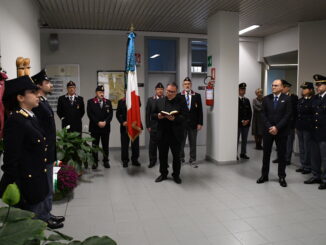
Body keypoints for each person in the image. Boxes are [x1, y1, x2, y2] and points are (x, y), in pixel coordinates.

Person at [0, 76, 62, 229]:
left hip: (35, 179)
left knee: (35, 224)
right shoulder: (16, 121)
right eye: (33, 92)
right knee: (29, 226)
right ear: (20, 97)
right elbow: (11, 160)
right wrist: (12, 186)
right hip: (27, 184)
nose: (37, 95)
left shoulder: (29, 117)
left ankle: (44, 216)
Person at [31, 69, 65, 227]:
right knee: (45, 186)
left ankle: (47, 213)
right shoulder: (37, 104)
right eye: (47, 83)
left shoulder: (42, 101)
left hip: (50, 150)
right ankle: (43, 217)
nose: (50, 85)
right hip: (44, 151)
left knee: (50, 184)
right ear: (39, 85)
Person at [257, 79, 292, 187]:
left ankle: (281, 176)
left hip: (281, 132)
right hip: (268, 131)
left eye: (276, 85)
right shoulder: (266, 99)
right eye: (272, 85)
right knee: (266, 154)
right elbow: (263, 114)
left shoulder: (287, 99)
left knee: (282, 155)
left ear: (282, 87)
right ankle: (264, 175)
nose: (273, 87)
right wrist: (270, 127)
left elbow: (287, 115)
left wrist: (277, 127)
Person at [152, 82, 187, 184]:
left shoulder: (181, 101)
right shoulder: (160, 101)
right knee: (162, 156)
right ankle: (163, 174)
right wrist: (158, 115)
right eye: (168, 91)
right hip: (162, 133)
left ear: (176, 92)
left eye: (172, 92)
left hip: (176, 134)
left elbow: (185, 116)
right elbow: (152, 114)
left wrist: (175, 118)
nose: (169, 93)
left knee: (176, 156)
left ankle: (176, 175)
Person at [304, 74, 326, 190]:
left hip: (324, 134)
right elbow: (311, 114)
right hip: (314, 133)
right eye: (316, 84)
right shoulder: (315, 98)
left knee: (324, 158)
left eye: (320, 84)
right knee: (315, 157)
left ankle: (325, 179)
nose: (317, 86)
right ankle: (316, 175)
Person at [178, 77, 203, 167]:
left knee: (193, 142)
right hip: (182, 124)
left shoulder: (197, 95)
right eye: (185, 84)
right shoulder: (179, 96)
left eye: (188, 83)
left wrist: (200, 123)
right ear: (183, 85)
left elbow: (200, 111)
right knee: (181, 142)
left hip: (193, 124)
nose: (187, 85)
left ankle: (192, 159)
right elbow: (177, 111)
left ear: (191, 85)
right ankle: (181, 158)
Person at [87, 85, 113, 169]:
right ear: (96, 93)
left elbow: (111, 114)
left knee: (105, 145)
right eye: (100, 92)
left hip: (105, 128)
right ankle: (95, 162)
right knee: (95, 146)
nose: (102, 94)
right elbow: (90, 114)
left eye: (103, 92)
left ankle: (106, 161)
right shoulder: (90, 102)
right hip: (95, 128)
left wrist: (105, 122)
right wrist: (98, 122)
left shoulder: (108, 102)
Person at [273, 80, 298, 165]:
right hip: (280, 124)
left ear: (288, 88)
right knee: (279, 142)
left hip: (289, 124)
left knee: (288, 143)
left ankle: (287, 159)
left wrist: (294, 125)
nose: (282, 89)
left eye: (284, 87)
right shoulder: (279, 96)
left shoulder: (293, 97)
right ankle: (279, 157)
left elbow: (295, 112)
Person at [116, 96, 141, 168]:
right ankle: (125, 161)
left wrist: (135, 97)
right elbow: (118, 114)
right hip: (125, 126)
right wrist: (122, 122)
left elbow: (139, 105)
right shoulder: (121, 101)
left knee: (135, 144)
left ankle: (135, 160)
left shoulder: (136, 99)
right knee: (124, 145)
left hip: (134, 125)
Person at [295, 82, 314, 175]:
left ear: (310, 90)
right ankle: (303, 165)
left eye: (305, 88)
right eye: (302, 88)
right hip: (299, 127)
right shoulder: (300, 100)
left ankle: (308, 166)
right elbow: (297, 114)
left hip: (308, 128)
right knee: (301, 147)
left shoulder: (313, 100)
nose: (303, 90)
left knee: (307, 148)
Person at [146, 82, 164, 168]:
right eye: (158, 89)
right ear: (155, 90)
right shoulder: (150, 100)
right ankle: (152, 161)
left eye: (161, 89)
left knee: (163, 145)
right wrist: (148, 126)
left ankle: (163, 161)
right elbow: (147, 114)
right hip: (153, 126)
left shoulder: (166, 99)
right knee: (152, 145)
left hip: (164, 127)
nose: (160, 91)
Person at [238, 82, 252, 159]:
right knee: (236, 140)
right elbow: (235, 113)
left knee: (244, 140)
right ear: (238, 90)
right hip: (238, 124)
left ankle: (243, 153)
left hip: (246, 124)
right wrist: (241, 121)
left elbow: (250, 112)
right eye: (241, 89)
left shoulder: (247, 100)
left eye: (244, 89)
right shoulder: (235, 100)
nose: (243, 91)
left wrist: (248, 120)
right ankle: (234, 154)